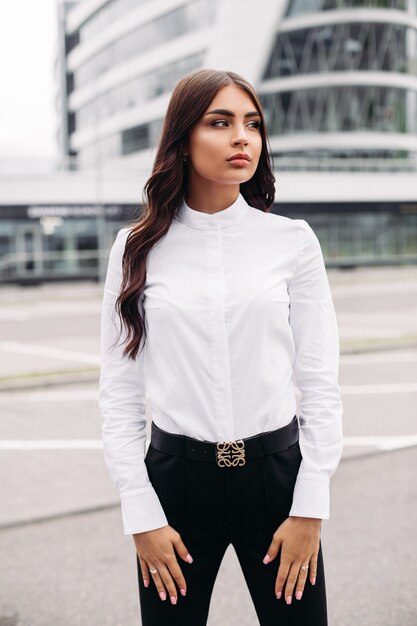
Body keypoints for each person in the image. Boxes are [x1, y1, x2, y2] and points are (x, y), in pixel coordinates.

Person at [98, 68, 343, 626]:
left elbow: (320, 383)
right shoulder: (133, 249)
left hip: (276, 478)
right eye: (220, 122)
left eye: (252, 124)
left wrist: (310, 507)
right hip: (176, 487)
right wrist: (141, 515)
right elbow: (119, 394)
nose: (243, 138)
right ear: (182, 140)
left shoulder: (292, 242)